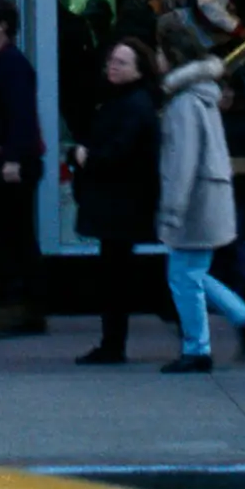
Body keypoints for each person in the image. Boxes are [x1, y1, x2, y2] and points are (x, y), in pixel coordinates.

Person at [152, 12, 245, 372]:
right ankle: (244, 319)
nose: (155, 59)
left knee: (183, 276)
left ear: (171, 54)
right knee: (192, 273)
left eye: (159, 51)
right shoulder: (202, 95)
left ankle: (197, 348)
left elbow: (182, 161)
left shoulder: (183, 102)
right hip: (209, 196)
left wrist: (171, 210)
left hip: (194, 201)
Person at [70, 38, 163, 365]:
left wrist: (86, 157)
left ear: (138, 70)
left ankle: (114, 342)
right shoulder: (118, 101)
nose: (113, 66)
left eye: (122, 62)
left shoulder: (134, 105)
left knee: (116, 276)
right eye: (112, 60)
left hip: (122, 203)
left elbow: (119, 153)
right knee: (117, 273)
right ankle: (114, 340)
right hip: (117, 202)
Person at [0, 0, 47, 338]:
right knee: (3, 235)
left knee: (8, 236)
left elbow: (22, 115)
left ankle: (17, 305)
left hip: (11, 163)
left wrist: (13, 157)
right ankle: (19, 305)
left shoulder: (11, 66)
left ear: (2, 26)